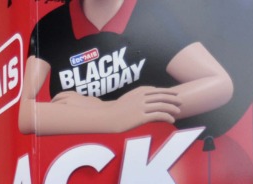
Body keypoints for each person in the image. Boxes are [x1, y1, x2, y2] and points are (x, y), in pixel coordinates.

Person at [18, 0, 233, 136]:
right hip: (77, 180)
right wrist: (112, 114)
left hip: (154, 170)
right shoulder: (49, 28)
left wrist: (102, 109)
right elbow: (26, 115)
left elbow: (219, 84)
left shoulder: (151, 13)